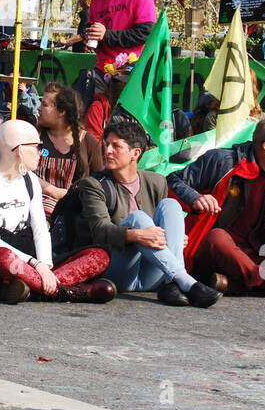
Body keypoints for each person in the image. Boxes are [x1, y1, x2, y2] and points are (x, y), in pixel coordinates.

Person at [167, 113, 265, 297]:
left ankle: (237, 283)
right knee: (218, 237)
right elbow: (170, 181)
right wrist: (195, 198)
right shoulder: (221, 161)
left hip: (257, 253)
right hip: (213, 251)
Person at [0, 120, 116, 303]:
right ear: (19, 151)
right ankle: (65, 292)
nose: (41, 153)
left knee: (100, 255)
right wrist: (35, 264)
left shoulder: (31, 180)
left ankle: (27, 289)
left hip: (27, 257)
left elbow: (41, 229)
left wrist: (45, 265)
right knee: (2, 257)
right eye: (37, 147)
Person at [75, 119, 221, 307]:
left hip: (154, 274)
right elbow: (100, 231)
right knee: (138, 218)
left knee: (171, 205)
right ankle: (186, 282)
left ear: (135, 153)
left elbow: (163, 228)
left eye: (116, 146)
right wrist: (137, 235)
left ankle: (173, 282)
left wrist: (175, 236)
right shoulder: (94, 185)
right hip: (118, 272)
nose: (107, 151)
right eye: (106, 145)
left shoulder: (157, 181)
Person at [70, 0, 156, 97]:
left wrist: (106, 35)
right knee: (77, 103)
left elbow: (145, 33)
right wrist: (91, 38)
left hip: (131, 70)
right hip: (103, 69)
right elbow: (94, 26)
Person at [33, 82, 93, 216]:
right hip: (34, 208)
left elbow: (99, 180)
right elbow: (21, 172)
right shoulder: (33, 136)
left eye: (45, 104)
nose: (38, 108)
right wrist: (53, 191)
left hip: (74, 212)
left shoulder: (87, 140)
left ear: (61, 112)